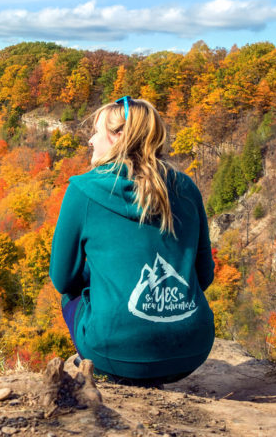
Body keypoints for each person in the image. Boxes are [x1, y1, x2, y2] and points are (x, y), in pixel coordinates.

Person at [49, 96, 215, 385]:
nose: (90, 140)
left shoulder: (83, 191)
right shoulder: (186, 187)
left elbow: (63, 280)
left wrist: (100, 285)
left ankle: (100, 356)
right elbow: (204, 275)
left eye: (97, 132)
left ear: (118, 137)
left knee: (71, 295)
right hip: (192, 351)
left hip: (116, 356)